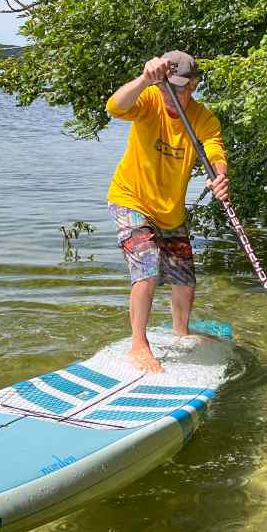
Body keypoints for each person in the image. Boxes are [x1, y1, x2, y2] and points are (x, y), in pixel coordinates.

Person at [105, 51, 229, 372]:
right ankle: (138, 343)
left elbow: (214, 149)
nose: (172, 96)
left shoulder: (203, 118)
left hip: (170, 211)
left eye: (181, 89)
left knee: (185, 279)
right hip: (130, 199)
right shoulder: (149, 99)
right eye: (167, 88)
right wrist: (146, 79)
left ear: (195, 85)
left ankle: (181, 332)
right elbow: (115, 106)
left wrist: (219, 175)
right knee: (147, 266)